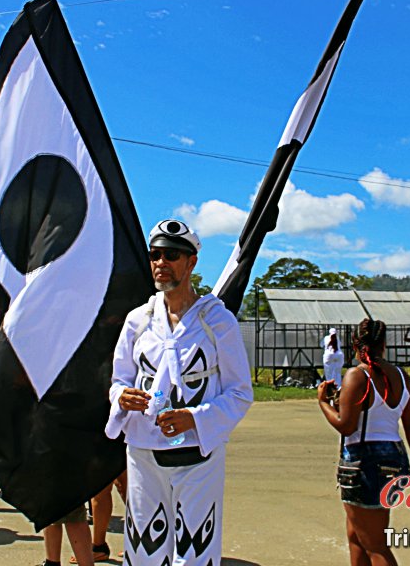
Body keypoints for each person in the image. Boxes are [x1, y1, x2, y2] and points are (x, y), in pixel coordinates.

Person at [105, 219, 253, 566]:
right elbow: (118, 380)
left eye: (171, 255)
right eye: (155, 255)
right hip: (143, 452)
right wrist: (121, 398)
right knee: (144, 546)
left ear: (191, 262)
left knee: (195, 549)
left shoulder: (217, 321)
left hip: (196, 455)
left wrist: (194, 418)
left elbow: (240, 392)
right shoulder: (138, 320)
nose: (160, 263)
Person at [318, 318, 410, 566]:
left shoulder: (357, 375)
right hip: (394, 457)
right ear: (384, 344)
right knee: (356, 535)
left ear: (355, 344)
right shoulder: (402, 377)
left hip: (363, 461)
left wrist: (323, 402)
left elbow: (346, 425)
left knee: (375, 545)